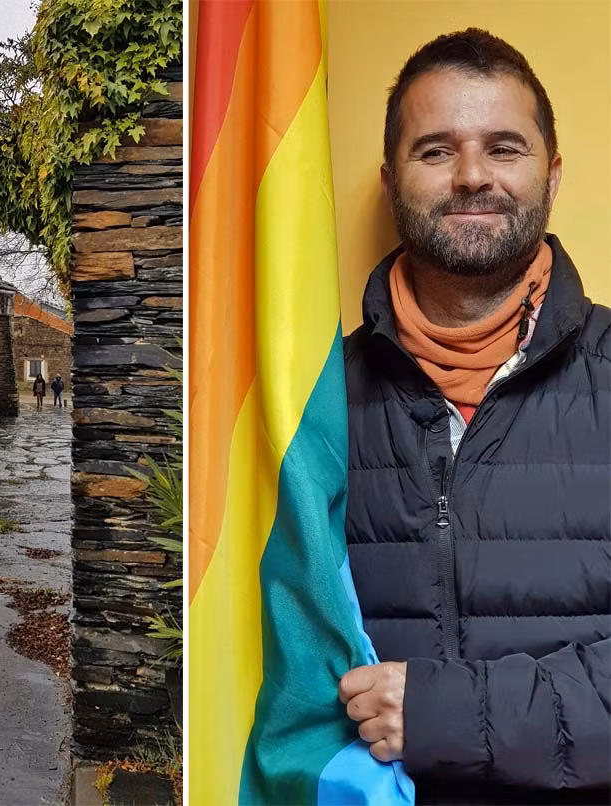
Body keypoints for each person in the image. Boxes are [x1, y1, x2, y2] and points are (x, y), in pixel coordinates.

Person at [336, 28, 610, 804]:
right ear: (390, 179)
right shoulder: (309, 404)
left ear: (551, 174)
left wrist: (446, 714)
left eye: (504, 147)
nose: (470, 176)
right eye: (434, 150)